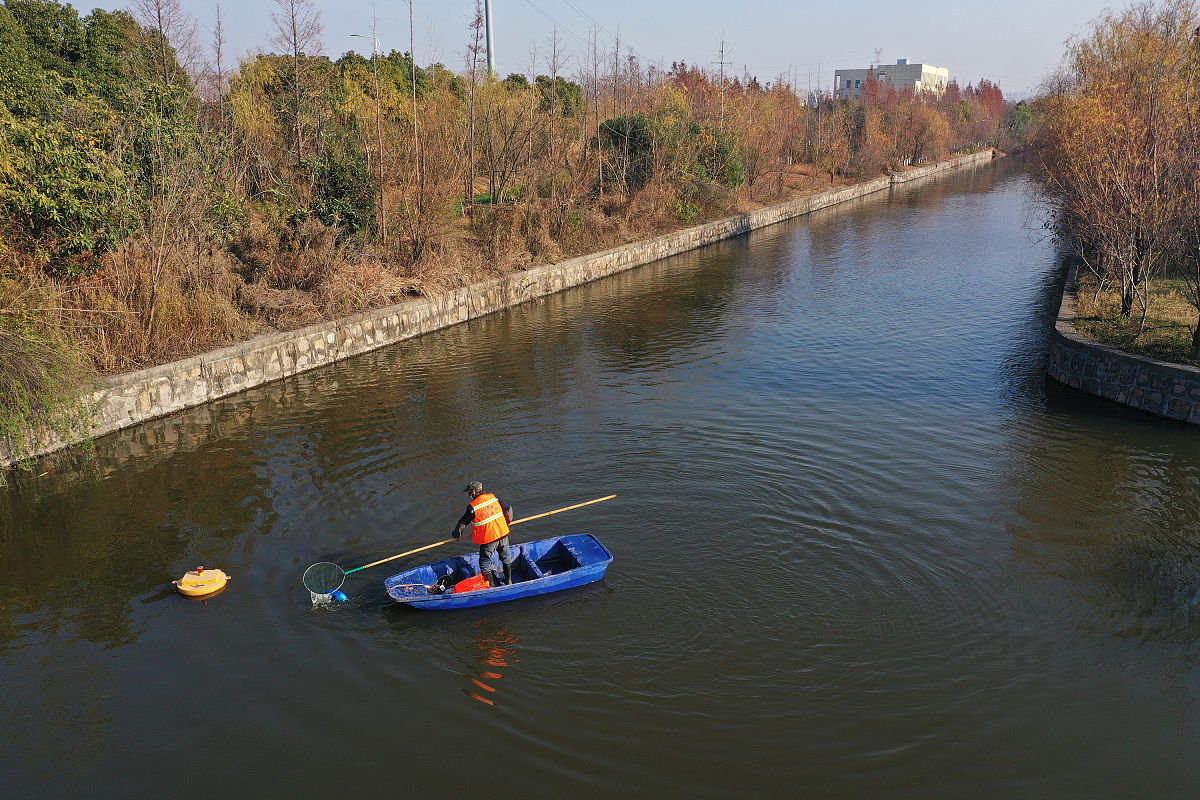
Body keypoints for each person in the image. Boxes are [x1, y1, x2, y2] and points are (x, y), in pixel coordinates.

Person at [452, 481, 515, 587]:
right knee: (506, 557)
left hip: (489, 539)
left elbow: (463, 523)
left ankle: (490, 586)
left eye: (469, 492)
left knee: (485, 561)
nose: (469, 495)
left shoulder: (472, 507)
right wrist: (507, 522)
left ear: (473, 493)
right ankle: (508, 581)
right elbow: (508, 509)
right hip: (503, 533)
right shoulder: (494, 497)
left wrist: (456, 535)